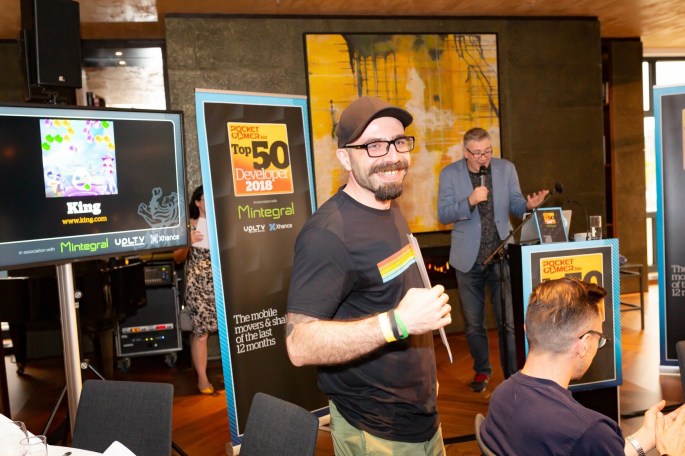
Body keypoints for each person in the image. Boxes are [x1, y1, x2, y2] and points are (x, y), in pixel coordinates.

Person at [286, 96, 452, 455]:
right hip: (375, 429)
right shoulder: (327, 235)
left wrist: (425, 380)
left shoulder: (389, 205)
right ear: (345, 158)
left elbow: (386, 295)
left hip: (421, 413)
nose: (392, 156)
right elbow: (299, 345)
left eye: (399, 142)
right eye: (374, 146)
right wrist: (397, 323)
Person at [481, 277, 685, 455]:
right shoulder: (588, 431)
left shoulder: (502, 396)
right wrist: (671, 451)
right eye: (599, 338)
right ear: (584, 344)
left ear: (528, 329)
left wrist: (647, 436)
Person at [437, 127, 548, 391]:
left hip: (501, 255)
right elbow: (444, 214)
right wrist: (469, 201)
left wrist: (528, 206)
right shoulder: (450, 174)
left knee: (508, 322)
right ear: (465, 152)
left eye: (487, 151)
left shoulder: (506, 169)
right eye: (477, 153)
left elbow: (516, 204)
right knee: (474, 324)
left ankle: (513, 375)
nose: (483, 158)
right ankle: (481, 371)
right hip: (468, 260)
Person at [173, 185, 218, 395]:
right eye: (205, 199)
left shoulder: (222, 223)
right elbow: (177, 258)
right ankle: (202, 379)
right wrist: (188, 242)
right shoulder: (189, 225)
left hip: (221, 282)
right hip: (199, 285)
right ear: (198, 203)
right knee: (201, 333)